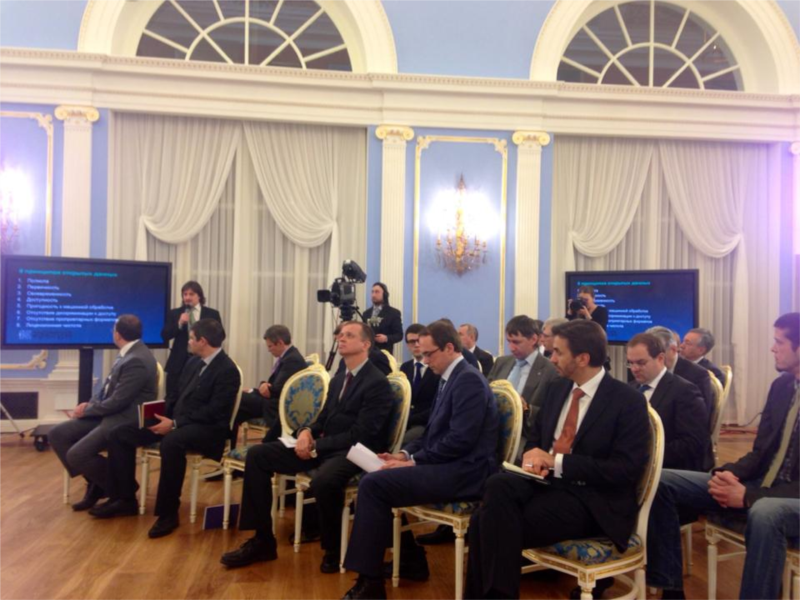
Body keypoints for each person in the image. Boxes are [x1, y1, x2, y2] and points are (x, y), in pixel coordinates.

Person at [465, 320, 649, 600]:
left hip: (594, 500)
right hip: (547, 485)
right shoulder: (558, 388)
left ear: (582, 358)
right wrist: (533, 458)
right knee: (497, 485)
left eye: (558, 352)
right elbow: (536, 439)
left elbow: (625, 469)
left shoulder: (627, 401)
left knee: (484, 522)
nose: (551, 359)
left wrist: (556, 462)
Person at [341, 320, 499, 600]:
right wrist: (403, 454)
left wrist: (413, 462)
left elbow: (460, 441)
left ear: (449, 347)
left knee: (374, 484)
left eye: (429, 354)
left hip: (467, 472)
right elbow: (431, 433)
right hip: (449, 465)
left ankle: (371, 582)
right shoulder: (451, 377)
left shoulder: (468, 380)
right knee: (375, 478)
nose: (424, 360)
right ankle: (405, 560)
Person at [646, 313, 800, 600]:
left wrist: (750, 497)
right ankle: (671, 590)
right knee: (662, 481)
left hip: (787, 499)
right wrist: (727, 474)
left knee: (766, 513)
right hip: (761, 486)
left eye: (779, 342)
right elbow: (760, 452)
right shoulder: (781, 387)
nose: (772, 348)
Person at [220, 321, 394, 574]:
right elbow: (323, 418)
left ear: (366, 344)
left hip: (352, 452)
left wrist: (315, 446)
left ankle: (332, 550)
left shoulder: (377, 382)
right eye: (340, 334)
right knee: (258, 455)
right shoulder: (339, 379)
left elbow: (362, 434)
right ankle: (262, 540)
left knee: (324, 481)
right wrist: (305, 431)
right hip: (324, 447)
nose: (341, 338)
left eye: (349, 335)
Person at [90, 319, 240, 539]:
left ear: (203, 341)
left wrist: (175, 424)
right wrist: (157, 415)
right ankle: (123, 499)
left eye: (191, 338)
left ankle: (167, 513)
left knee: (171, 442)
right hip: (177, 422)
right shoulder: (193, 363)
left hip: (207, 429)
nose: (188, 342)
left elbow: (215, 412)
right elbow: (174, 396)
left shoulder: (227, 370)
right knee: (120, 433)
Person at [50, 315, 158, 511]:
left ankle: (123, 490)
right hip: (109, 413)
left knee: (77, 455)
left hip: (124, 419)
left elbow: (118, 401)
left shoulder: (137, 359)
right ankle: (98, 484)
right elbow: (107, 390)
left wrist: (87, 411)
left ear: (117, 334)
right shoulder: (129, 353)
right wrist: (89, 405)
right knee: (58, 434)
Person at [627, 333, 710, 471]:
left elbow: (692, 443)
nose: (634, 369)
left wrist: (644, 455)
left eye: (641, 363)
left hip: (668, 467)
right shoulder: (630, 388)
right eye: (630, 363)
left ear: (660, 358)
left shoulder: (685, 392)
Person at [488, 315, 558, 448]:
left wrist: (526, 408)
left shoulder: (550, 370)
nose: (511, 348)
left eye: (516, 342)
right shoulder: (501, 362)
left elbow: (551, 414)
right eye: (509, 341)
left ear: (533, 339)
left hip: (525, 438)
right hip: (493, 433)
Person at [233, 325, 306, 440]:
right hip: (272, 400)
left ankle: (225, 439)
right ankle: (228, 439)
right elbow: (274, 386)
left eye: (270, 346)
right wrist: (254, 390)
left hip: (276, 405)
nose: (269, 350)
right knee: (238, 402)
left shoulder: (292, 360)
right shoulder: (289, 356)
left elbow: (276, 390)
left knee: (237, 399)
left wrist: (264, 386)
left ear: (280, 343)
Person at [161, 281, 222, 398]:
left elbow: (220, 336)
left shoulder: (212, 314)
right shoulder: (175, 313)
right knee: (172, 397)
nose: (187, 297)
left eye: (191, 294)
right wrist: (179, 323)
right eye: (185, 294)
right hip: (179, 362)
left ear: (199, 296)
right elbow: (165, 335)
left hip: (203, 360)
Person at [648, 326, 716, 428]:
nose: (653, 359)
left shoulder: (697, 375)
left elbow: (699, 420)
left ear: (673, 349)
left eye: (657, 354)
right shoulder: (645, 370)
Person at [399, 323, 440, 444]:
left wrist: (410, 419)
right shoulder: (405, 367)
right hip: (405, 422)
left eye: (419, 341)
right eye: (412, 342)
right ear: (407, 345)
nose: (416, 345)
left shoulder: (436, 368)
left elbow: (437, 405)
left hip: (426, 422)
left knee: (406, 441)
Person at [362, 282, 403, 353]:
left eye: (377, 292)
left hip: (384, 353)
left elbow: (399, 335)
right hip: (368, 353)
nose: (373, 295)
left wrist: (386, 338)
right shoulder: (366, 314)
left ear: (384, 294)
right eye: (372, 292)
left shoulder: (393, 313)